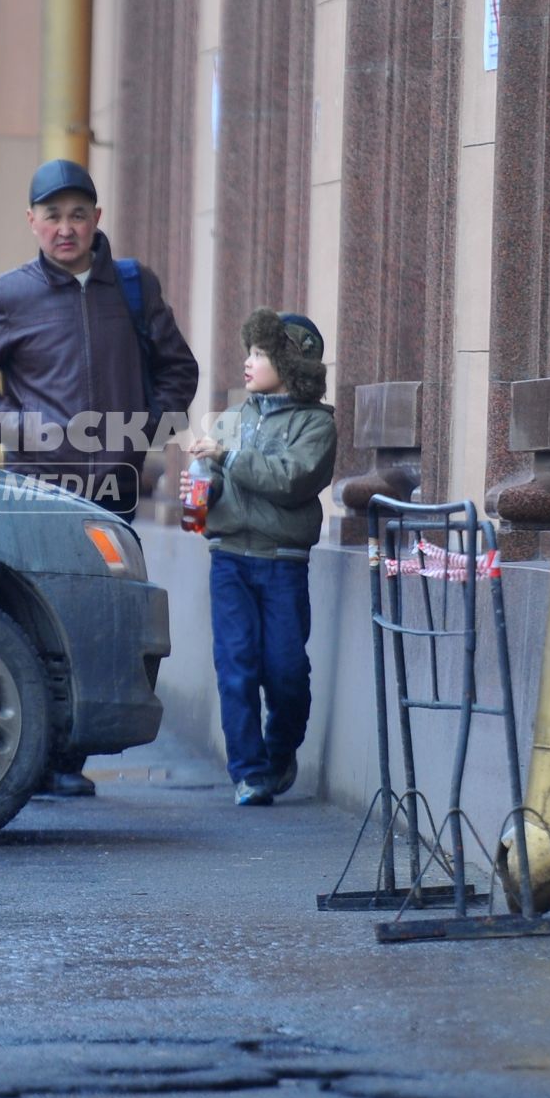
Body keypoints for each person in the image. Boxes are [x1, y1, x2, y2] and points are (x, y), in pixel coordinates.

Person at [0, 157, 198, 798]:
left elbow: (179, 372)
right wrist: (27, 431)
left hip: (112, 488)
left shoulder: (134, 288)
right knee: (37, 618)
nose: (66, 228)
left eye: (77, 214)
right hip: (38, 489)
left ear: (97, 219)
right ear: (31, 222)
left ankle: (71, 759)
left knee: (102, 619)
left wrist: (142, 435)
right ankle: (36, 754)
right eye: (52, 216)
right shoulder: (9, 296)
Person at [185, 309, 335, 807]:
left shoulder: (316, 427)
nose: (248, 362)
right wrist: (202, 485)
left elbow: (291, 481)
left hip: (283, 562)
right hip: (227, 558)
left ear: (291, 364)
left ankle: (277, 755)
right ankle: (248, 773)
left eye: (260, 354)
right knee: (236, 666)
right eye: (248, 351)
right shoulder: (232, 420)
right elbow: (219, 484)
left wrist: (226, 459)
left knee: (286, 671)